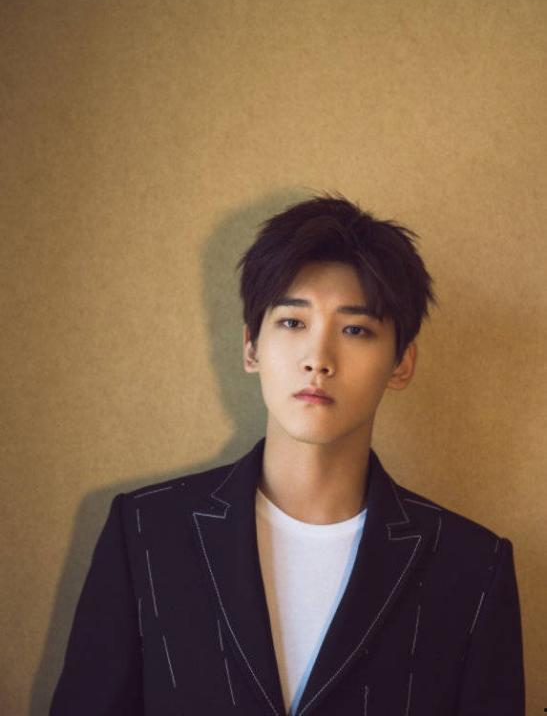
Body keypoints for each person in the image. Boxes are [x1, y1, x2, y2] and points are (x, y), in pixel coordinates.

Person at [50, 194, 525, 715]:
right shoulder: (145, 532)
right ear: (251, 346)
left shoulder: (472, 568)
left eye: (356, 330)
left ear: (401, 364)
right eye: (293, 323)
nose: (318, 359)